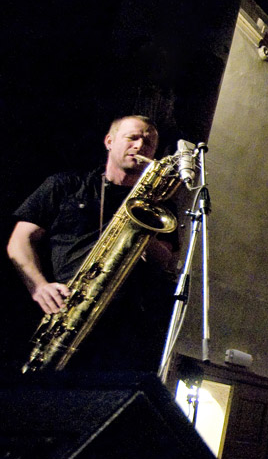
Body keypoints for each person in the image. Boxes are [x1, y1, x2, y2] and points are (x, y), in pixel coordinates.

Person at [8, 115, 176, 371]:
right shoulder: (65, 185)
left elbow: (164, 259)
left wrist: (141, 231)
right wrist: (39, 286)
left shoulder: (160, 205)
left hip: (122, 327)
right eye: (133, 137)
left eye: (149, 143)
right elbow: (19, 240)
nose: (140, 146)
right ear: (109, 141)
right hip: (62, 308)